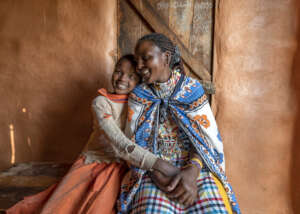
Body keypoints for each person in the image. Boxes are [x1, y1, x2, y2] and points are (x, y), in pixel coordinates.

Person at [7, 54, 174, 214]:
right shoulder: (101, 103)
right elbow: (119, 143)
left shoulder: (140, 103)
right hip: (95, 162)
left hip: (126, 164)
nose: (122, 78)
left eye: (131, 76)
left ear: (139, 81)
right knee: (68, 206)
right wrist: (157, 163)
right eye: (118, 71)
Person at [118, 33, 241, 214]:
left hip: (196, 167)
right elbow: (136, 144)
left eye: (146, 59)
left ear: (166, 58)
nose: (140, 66)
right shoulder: (139, 95)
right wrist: (159, 177)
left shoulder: (191, 90)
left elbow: (204, 139)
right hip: (152, 169)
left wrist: (191, 174)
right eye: (137, 61)